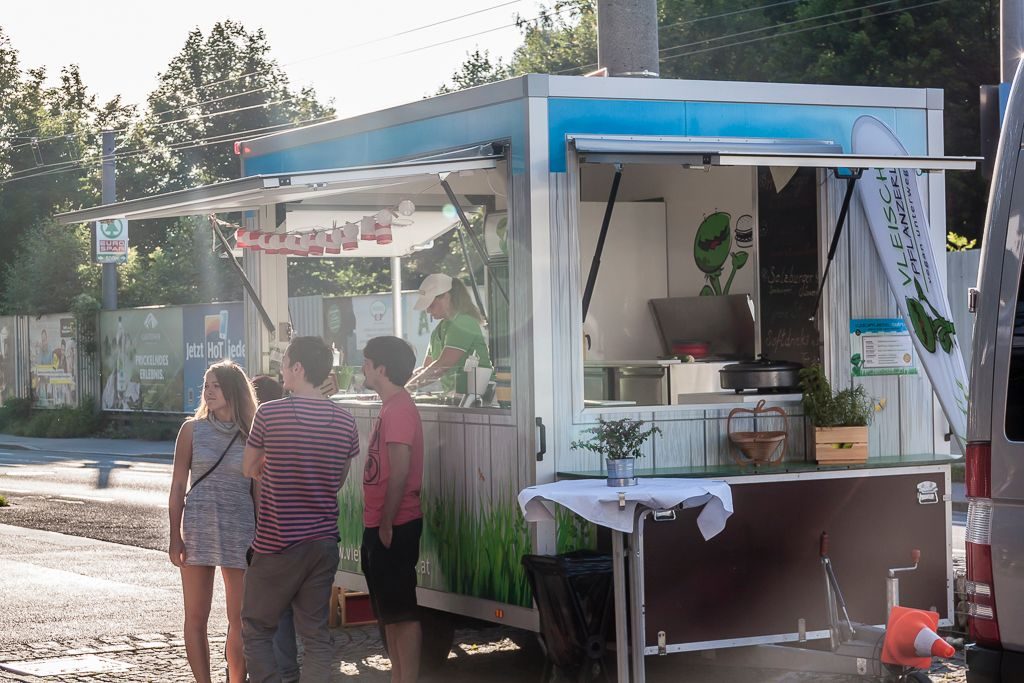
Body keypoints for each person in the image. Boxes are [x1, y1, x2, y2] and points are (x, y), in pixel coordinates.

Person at [241, 336, 360, 682]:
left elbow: (249, 468)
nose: (280, 370)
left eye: (284, 363)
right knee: (316, 635)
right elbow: (337, 480)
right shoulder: (345, 421)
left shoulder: (269, 413)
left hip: (277, 542)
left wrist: (275, 467)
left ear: (298, 368)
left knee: (257, 628)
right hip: (322, 543)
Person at [168, 360, 258, 683]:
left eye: (216, 384)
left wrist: (262, 535)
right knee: (195, 617)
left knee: (241, 620)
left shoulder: (252, 433)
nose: (208, 390)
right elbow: (179, 485)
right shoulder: (192, 430)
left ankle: (237, 679)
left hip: (241, 529)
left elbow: (257, 490)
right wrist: (174, 536)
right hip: (198, 528)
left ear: (233, 389)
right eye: (206, 385)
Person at [360, 336, 424, 683]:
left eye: (367, 363)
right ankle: (398, 675)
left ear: (381, 369)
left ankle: (406, 677)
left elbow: (400, 472)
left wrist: (386, 523)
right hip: (382, 523)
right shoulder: (390, 406)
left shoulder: (399, 407)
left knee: (402, 611)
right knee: (390, 613)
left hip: (395, 524)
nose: (363, 369)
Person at [250, 374, 299, 683]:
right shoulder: (293, 431)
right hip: (300, 534)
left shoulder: (260, 436)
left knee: (261, 613)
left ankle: (261, 672)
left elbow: (252, 479)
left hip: (268, 537)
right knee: (288, 612)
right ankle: (288, 672)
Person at [406, 274, 491, 395]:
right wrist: (401, 388)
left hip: (479, 398)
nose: (428, 310)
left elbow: (442, 366)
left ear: (446, 297)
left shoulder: (464, 322)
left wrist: (407, 389)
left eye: (431, 304)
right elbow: (427, 369)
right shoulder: (439, 330)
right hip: (459, 397)